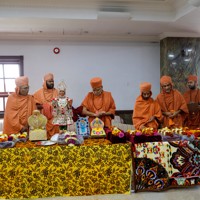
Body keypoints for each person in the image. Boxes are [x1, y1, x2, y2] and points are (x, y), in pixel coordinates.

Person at [33, 73, 59, 138]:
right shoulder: (38, 93)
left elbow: (61, 105)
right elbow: (34, 106)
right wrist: (45, 106)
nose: (52, 83)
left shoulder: (57, 92)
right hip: (43, 121)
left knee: (56, 141)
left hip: (55, 120)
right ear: (45, 82)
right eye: (50, 81)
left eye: (52, 81)